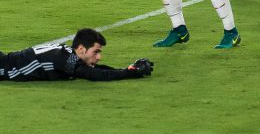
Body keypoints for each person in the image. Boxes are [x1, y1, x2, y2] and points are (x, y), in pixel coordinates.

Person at [1, 29, 153, 82]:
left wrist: (128, 69)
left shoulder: (67, 55)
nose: (98, 57)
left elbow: (96, 69)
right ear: (81, 49)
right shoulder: (65, 58)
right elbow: (93, 75)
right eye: (96, 52)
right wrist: (130, 73)